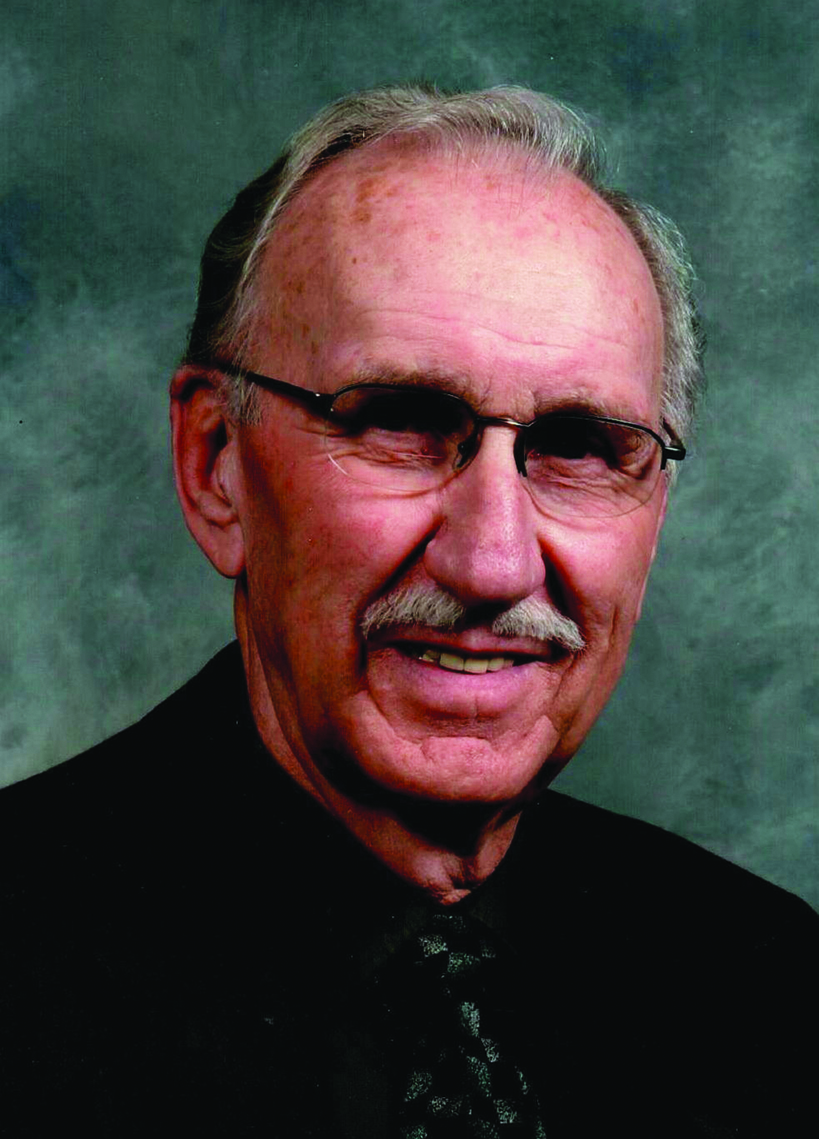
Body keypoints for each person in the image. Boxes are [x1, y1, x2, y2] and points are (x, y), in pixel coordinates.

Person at [1, 84, 816, 1138]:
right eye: (397, 421)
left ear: (653, 507)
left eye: (578, 446)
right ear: (216, 465)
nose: (493, 561)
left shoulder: (771, 987)